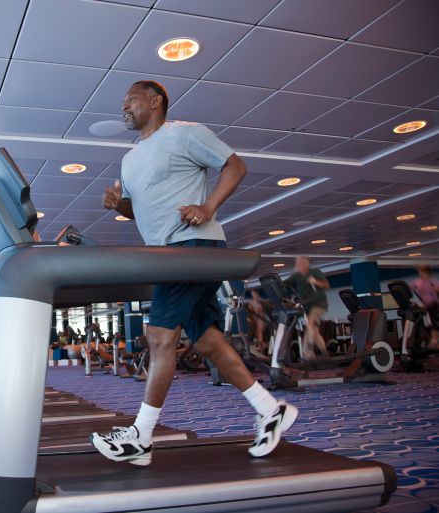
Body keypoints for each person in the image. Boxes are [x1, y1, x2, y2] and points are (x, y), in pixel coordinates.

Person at [92, 80, 297, 466]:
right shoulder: (130, 159)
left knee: (158, 337)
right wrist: (119, 206)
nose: (124, 106)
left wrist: (208, 207)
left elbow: (236, 166)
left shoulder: (184, 134)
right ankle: (270, 409)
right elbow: (139, 212)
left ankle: (141, 435)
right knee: (206, 341)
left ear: (155, 102)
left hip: (192, 246)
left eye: (130, 99)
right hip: (167, 254)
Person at [283, 256, 330, 361]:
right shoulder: (296, 276)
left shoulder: (315, 272)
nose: (297, 265)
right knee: (314, 330)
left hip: (318, 304)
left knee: (310, 324)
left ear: (306, 264)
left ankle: (308, 352)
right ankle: (325, 354)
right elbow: (284, 284)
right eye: (296, 263)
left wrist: (315, 281)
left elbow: (326, 285)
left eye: (299, 263)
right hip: (306, 306)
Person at [411, 264, 439, 348]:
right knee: (430, 324)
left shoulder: (433, 281)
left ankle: (434, 341)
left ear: (427, 273)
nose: (420, 274)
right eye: (419, 272)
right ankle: (434, 341)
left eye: (422, 272)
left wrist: (436, 290)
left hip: (435, 305)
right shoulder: (417, 282)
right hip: (426, 306)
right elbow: (410, 289)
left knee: (435, 324)